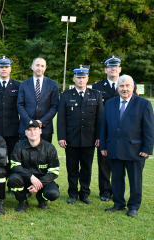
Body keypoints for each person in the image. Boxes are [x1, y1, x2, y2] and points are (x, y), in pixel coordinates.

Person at [100, 75, 154, 217]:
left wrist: (147, 148)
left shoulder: (144, 104)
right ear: (117, 88)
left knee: (135, 180)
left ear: (133, 87)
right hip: (114, 149)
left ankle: (134, 206)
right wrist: (103, 146)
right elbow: (104, 127)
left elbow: (149, 129)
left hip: (135, 150)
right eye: (121, 86)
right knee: (117, 179)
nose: (124, 89)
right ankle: (118, 203)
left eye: (127, 86)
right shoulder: (110, 103)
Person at [92, 54, 138, 201]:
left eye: (116, 66)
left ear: (120, 69)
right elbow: (96, 113)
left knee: (122, 163)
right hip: (105, 131)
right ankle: (105, 191)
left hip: (125, 133)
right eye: (110, 66)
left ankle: (121, 193)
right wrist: (98, 135)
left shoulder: (130, 85)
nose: (113, 69)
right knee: (104, 163)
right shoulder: (97, 86)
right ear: (106, 69)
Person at [57, 65, 103, 205]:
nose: (81, 80)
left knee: (86, 168)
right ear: (74, 78)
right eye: (78, 77)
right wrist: (61, 137)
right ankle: (72, 193)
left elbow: (99, 119)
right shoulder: (65, 95)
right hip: (71, 139)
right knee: (72, 168)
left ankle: (84, 193)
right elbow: (61, 119)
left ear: (87, 78)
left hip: (89, 139)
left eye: (83, 77)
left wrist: (98, 137)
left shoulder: (96, 95)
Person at [8, 119, 60, 212]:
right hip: (25, 179)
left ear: (40, 131)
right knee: (13, 179)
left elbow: (54, 172)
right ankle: (22, 201)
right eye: (29, 130)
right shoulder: (19, 145)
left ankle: (42, 199)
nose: (32, 132)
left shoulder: (50, 148)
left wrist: (38, 184)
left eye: (35, 129)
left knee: (53, 193)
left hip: (43, 181)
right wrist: (31, 176)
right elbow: (14, 166)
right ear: (25, 132)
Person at [17, 57, 59, 143]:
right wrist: (29, 122)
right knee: (25, 155)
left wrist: (42, 121)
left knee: (44, 155)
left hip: (45, 129)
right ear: (32, 67)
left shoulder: (53, 84)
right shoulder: (23, 84)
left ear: (45, 68)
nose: (40, 68)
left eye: (42, 66)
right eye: (37, 65)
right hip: (26, 128)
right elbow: (20, 104)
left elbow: (54, 106)